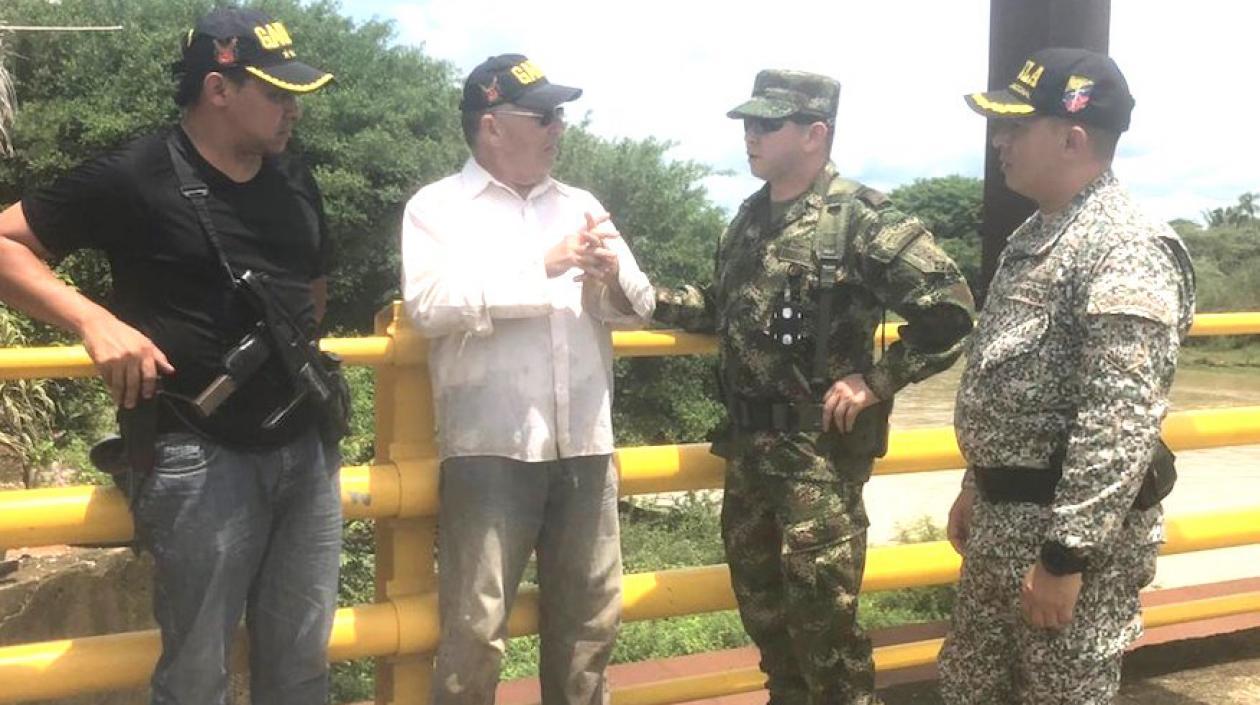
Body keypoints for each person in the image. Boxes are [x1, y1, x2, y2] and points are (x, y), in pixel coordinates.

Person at [0, 8, 341, 704]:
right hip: (196, 455)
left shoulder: (292, 177)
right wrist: (94, 321)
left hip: (304, 449)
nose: (291, 113)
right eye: (276, 94)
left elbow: (314, 289)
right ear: (219, 90)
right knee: (196, 674)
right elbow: (7, 243)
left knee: (303, 665)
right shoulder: (137, 172)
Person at [654, 70, 974, 705]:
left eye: (767, 124)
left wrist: (877, 380)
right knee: (770, 629)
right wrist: (633, 292)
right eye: (748, 122)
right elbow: (718, 307)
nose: (750, 135)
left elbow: (952, 309)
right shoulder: (747, 219)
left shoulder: (859, 220)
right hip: (749, 455)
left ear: (814, 133)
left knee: (826, 634)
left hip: (817, 461)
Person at [939, 48, 1196, 704]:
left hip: (1060, 548)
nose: (1000, 139)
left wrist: (1064, 558)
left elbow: (1119, 420)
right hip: (1003, 527)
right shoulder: (1036, 235)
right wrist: (978, 482)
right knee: (970, 688)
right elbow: (1007, 379)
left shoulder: (1126, 248)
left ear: (1072, 138)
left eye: (1016, 126)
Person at [400, 54, 655, 705]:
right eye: (544, 115)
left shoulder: (582, 204)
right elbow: (428, 304)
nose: (558, 127)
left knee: (589, 623)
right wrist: (541, 266)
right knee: (475, 628)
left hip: (587, 444)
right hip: (491, 447)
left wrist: (607, 277)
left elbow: (642, 302)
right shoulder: (437, 207)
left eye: (560, 114)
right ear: (491, 125)